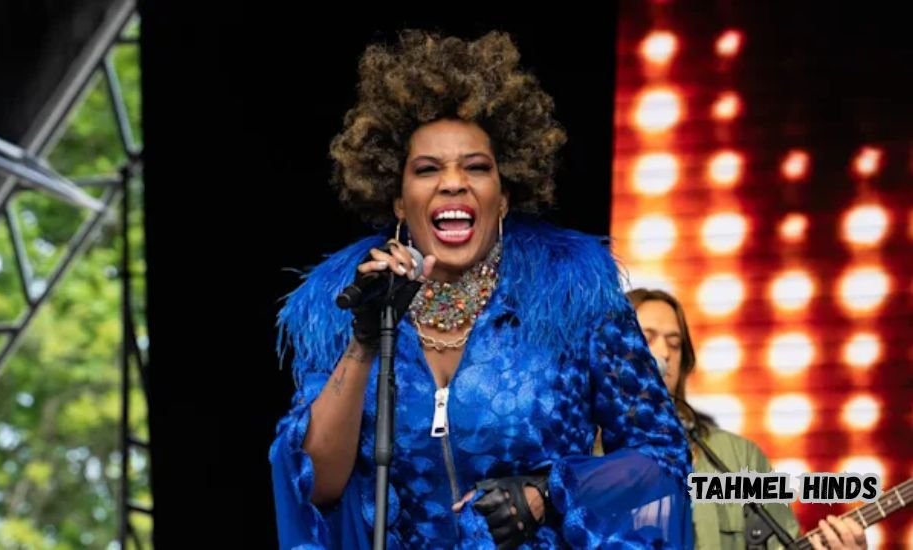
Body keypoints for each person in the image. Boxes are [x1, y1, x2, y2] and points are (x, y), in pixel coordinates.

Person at [269, 29, 694, 549]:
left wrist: (548, 492)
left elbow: (660, 455)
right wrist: (363, 343)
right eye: (427, 169)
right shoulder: (344, 305)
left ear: (504, 196)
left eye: (476, 167)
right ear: (398, 201)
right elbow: (316, 484)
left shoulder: (575, 298)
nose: (453, 182)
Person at [626, 288, 868, 550]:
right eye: (647, 338)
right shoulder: (590, 456)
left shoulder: (739, 457)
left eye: (675, 344)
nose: (664, 353)